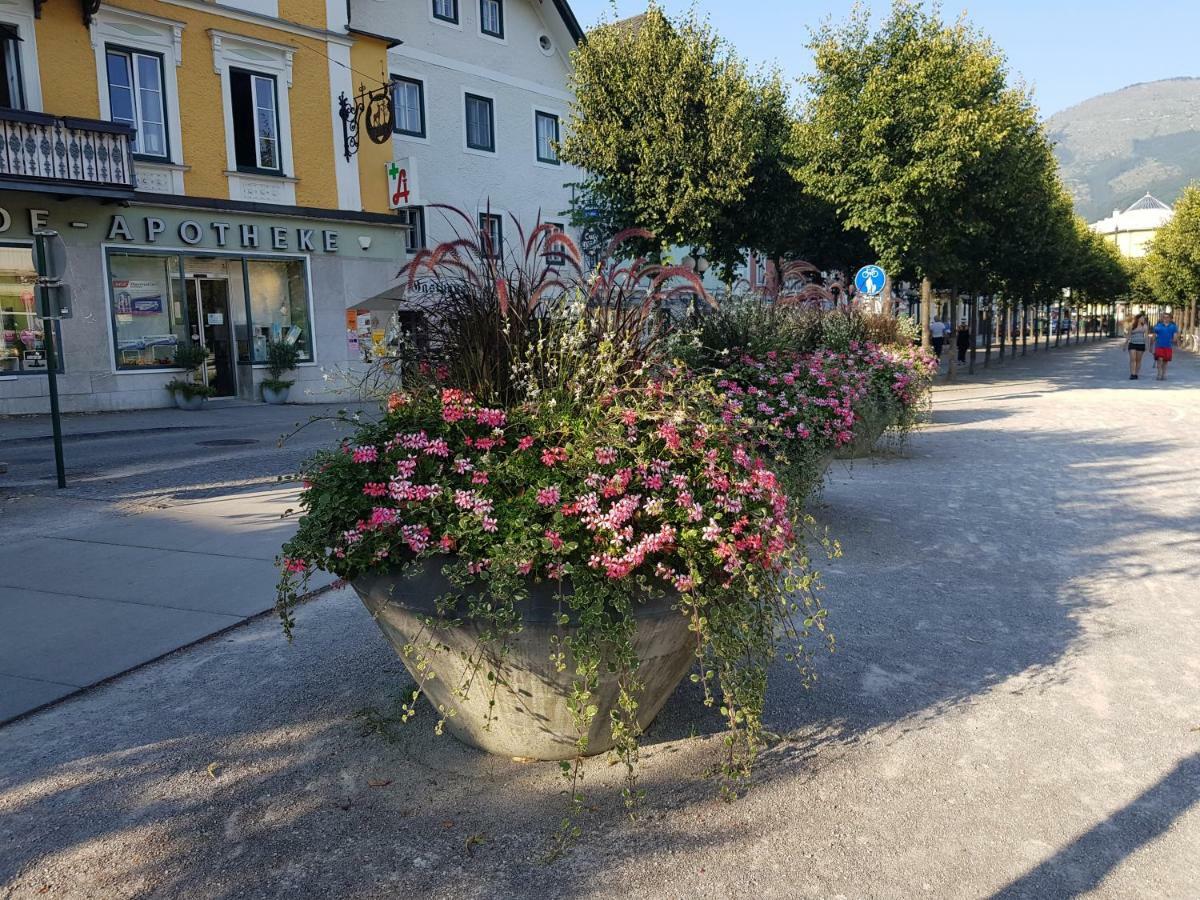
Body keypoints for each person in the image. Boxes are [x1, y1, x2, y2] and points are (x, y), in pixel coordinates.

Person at [1151, 311, 1179, 381]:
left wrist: (1175, 340)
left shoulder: (1173, 327)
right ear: (1162, 318)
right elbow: (1154, 336)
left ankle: (1164, 374)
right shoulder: (1158, 326)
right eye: (1164, 317)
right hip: (1159, 345)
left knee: (1165, 361)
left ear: (1170, 319)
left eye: (1167, 317)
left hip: (1168, 346)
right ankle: (1159, 373)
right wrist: (1151, 345)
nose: (1165, 319)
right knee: (1160, 359)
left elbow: (1175, 336)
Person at [1126, 312, 1149, 380]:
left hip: (1141, 344)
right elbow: (1129, 335)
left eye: (1144, 318)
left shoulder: (1145, 326)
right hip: (1132, 344)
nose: (1143, 319)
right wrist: (1125, 344)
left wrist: (1146, 345)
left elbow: (1146, 337)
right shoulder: (1132, 325)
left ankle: (1136, 373)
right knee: (1132, 359)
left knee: (1138, 360)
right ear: (1138, 319)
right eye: (1142, 318)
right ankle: (1132, 374)